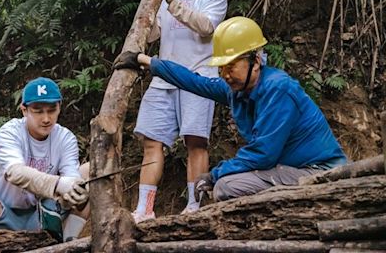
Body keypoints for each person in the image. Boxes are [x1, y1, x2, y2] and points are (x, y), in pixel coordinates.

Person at [114, 16, 347, 204]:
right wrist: (145, 60)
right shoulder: (236, 89)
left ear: (255, 61)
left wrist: (214, 174)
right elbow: (194, 81)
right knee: (229, 183)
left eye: (231, 66)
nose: (225, 74)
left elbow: (263, 154)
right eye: (221, 68)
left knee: (228, 186)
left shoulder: (278, 89)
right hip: (289, 170)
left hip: (320, 173)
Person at [130, 0, 227, 222]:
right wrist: (148, 2)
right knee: (151, 141)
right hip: (163, 78)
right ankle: (144, 208)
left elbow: (207, 28)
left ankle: (194, 206)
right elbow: (151, 36)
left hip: (198, 77)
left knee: (195, 142)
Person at [0, 77, 89, 242]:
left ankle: (68, 241)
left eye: (52, 110)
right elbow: (15, 172)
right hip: (2, 213)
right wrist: (60, 184)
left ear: (59, 107)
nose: (46, 118)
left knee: (92, 171)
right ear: (24, 110)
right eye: (38, 111)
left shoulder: (65, 137)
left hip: (42, 212)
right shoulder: (10, 132)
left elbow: (71, 176)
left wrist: (75, 191)